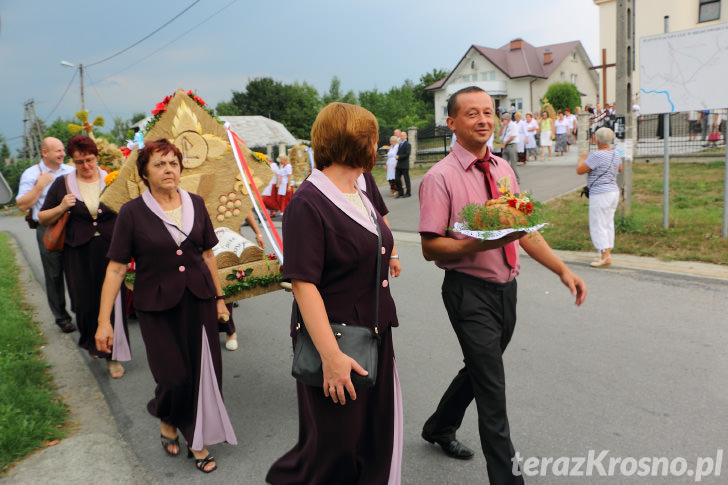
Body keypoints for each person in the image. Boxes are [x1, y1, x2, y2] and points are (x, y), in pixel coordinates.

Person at [418, 86, 586, 484]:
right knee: (492, 391)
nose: (483, 120)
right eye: (472, 113)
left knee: (481, 370)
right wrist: (478, 242)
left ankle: (439, 426)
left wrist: (563, 270)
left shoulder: (504, 169)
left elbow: (523, 230)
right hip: (467, 292)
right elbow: (429, 247)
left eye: (488, 112)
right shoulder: (439, 178)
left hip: (506, 291)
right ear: (452, 122)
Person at [267, 102, 402, 484]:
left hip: (374, 333)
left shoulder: (361, 186)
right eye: (372, 138)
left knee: (373, 439)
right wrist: (331, 357)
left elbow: (376, 236)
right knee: (334, 450)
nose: (377, 146)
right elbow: (303, 284)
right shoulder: (308, 203)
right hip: (338, 341)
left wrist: (388, 252)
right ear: (353, 141)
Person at [95, 139, 236, 473]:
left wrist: (220, 300)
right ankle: (166, 414)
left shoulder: (196, 203)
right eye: (159, 163)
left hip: (199, 300)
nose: (169, 169)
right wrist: (104, 322)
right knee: (173, 377)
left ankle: (196, 440)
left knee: (205, 374)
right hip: (156, 307)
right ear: (144, 171)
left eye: (174, 162)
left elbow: (206, 255)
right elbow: (116, 268)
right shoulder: (131, 213)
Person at [39, 135, 129, 377]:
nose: (86, 166)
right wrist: (61, 207)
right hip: (77, 252)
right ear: (72, 161)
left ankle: (113, 355)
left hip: (111, 250)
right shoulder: (63, 184)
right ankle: (92, 341)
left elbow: (130, 209)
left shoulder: (112, 179)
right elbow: (42, 217)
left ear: (97, 157)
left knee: (113, 302)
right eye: (79, 162)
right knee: (84, 302)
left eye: (89, 160)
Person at [15, 137, 76, 333]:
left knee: (76, 271)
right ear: (44, 153)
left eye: (62, 150)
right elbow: (23, 204)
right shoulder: (32, 174)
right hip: (48, 227)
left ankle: (82, 312)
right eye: (57, 151)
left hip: (72, 225)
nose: (62, 154)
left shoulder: (70, 170)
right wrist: (39, 186)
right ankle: (62, 318)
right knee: (54, 274)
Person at [220, 210, 267, 351]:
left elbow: (245, 208)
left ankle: (230, 331)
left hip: (229, 238)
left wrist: (258, 233)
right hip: (201, 240)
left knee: (226, 287)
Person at [576, 127, 622, 268]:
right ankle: (607, 253)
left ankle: (604, 256)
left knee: (598, 224)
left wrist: (583, 158)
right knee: (608, 223)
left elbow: (580, 170)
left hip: (600, 193)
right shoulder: (615, 154)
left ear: (597, 140)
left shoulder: (596, 155)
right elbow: (619, 169)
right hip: (613, 191)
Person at [500, 112, 520, 183]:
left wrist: (505, 143)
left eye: (503, 120)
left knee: (513, 164)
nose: (502, 121)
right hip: (505, 146)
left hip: (512, 145)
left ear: (507, 119)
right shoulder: (505, 126)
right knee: (503, 163)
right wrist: (502, 127)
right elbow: (500, 135)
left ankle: (517, 179)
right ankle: (505, 179)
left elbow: (512, 137)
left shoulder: (513, 125)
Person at [395, 130, 411, 198]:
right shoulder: (400, 144)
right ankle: (400, 192)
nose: (402, 136)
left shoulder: (408, 144)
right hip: (399, 165)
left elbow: (407, 154)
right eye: (401, 135)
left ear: (406, 136)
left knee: (406, 179)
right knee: (397, 178)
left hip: (404, 164)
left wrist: (399, 157)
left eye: (403, 135)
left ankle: (408, 192)